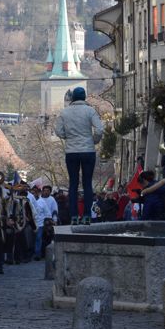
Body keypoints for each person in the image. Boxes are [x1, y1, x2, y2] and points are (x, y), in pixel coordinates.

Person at [54, 86, 103, 226]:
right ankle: (87, 215)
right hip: (88, 150)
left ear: (73, 98)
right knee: (87, 183)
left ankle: (74, 216)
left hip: (71, 152)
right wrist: (93, 140)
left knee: (73, 184)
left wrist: (68, 137)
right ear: (84, 97)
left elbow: (58, 130)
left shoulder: (65, 112)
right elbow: (99, 130)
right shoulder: (90, 111)